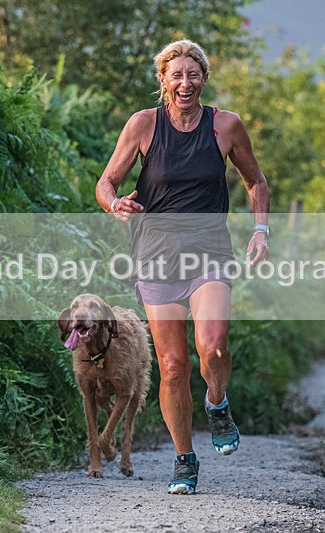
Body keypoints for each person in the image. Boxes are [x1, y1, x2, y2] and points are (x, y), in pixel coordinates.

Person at [95, 39, 270, 495]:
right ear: (163, 81)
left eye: (193, 75)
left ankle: (218, 403)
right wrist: (115, 204)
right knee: (173, 366)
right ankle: (184, 460)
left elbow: (256, 182)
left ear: (204, 78)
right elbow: (106, 181)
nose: (185, 83)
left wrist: (260, 230)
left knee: (211, 347)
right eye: (176, 75)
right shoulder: (143, 125)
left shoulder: (225, 126)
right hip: (154, 256)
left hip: (208, 251)